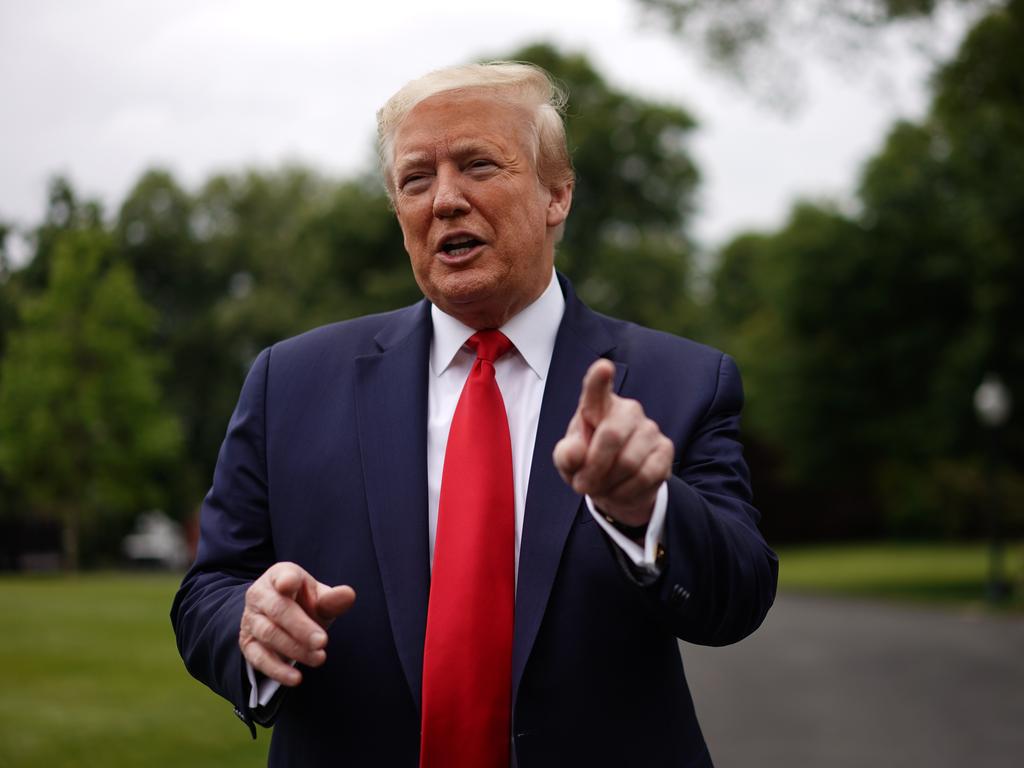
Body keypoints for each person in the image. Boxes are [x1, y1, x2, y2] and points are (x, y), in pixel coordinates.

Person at [171, 61, 777, 768]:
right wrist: (249, 624)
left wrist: (648, 510)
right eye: (416, 179)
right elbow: (208, 591)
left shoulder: (683, 379)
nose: (446, 200)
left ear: (558, 195)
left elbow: (738, 598)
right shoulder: (290, 382)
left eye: (478, 165)